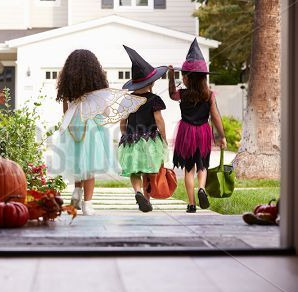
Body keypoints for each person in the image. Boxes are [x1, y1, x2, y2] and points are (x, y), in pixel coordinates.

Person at [55, 49, 146, 215]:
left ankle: (76, 197)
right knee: (89, 165)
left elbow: (65, 111)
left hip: (73, 127)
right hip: (92, 128)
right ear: (94, 71)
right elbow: (106, 112)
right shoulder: (99, 90)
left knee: (77, 162)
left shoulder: (70, 90)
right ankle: (87, 204)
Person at [169, 38, 227, 213]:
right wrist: (221, 136)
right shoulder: (209, 95)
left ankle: (191, 203)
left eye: (183, 75)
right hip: (202, 131)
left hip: (186, 132)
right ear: (203, 78)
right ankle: (201, 188)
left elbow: (172, 94)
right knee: (202, 165)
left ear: (187, 78)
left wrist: (171, 77)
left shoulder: (183, 94)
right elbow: (215, 116)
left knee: (189, 169)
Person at [118, 45, 169, 212]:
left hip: (132, 139)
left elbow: (122, 122)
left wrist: (125, 136)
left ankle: (138, 191)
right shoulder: (154, 99)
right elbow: (158, 119)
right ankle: (147, 199)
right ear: (152, 82)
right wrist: (164, 137)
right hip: (150, 140)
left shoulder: (127, 100)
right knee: (149, 169)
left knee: (134, 169)